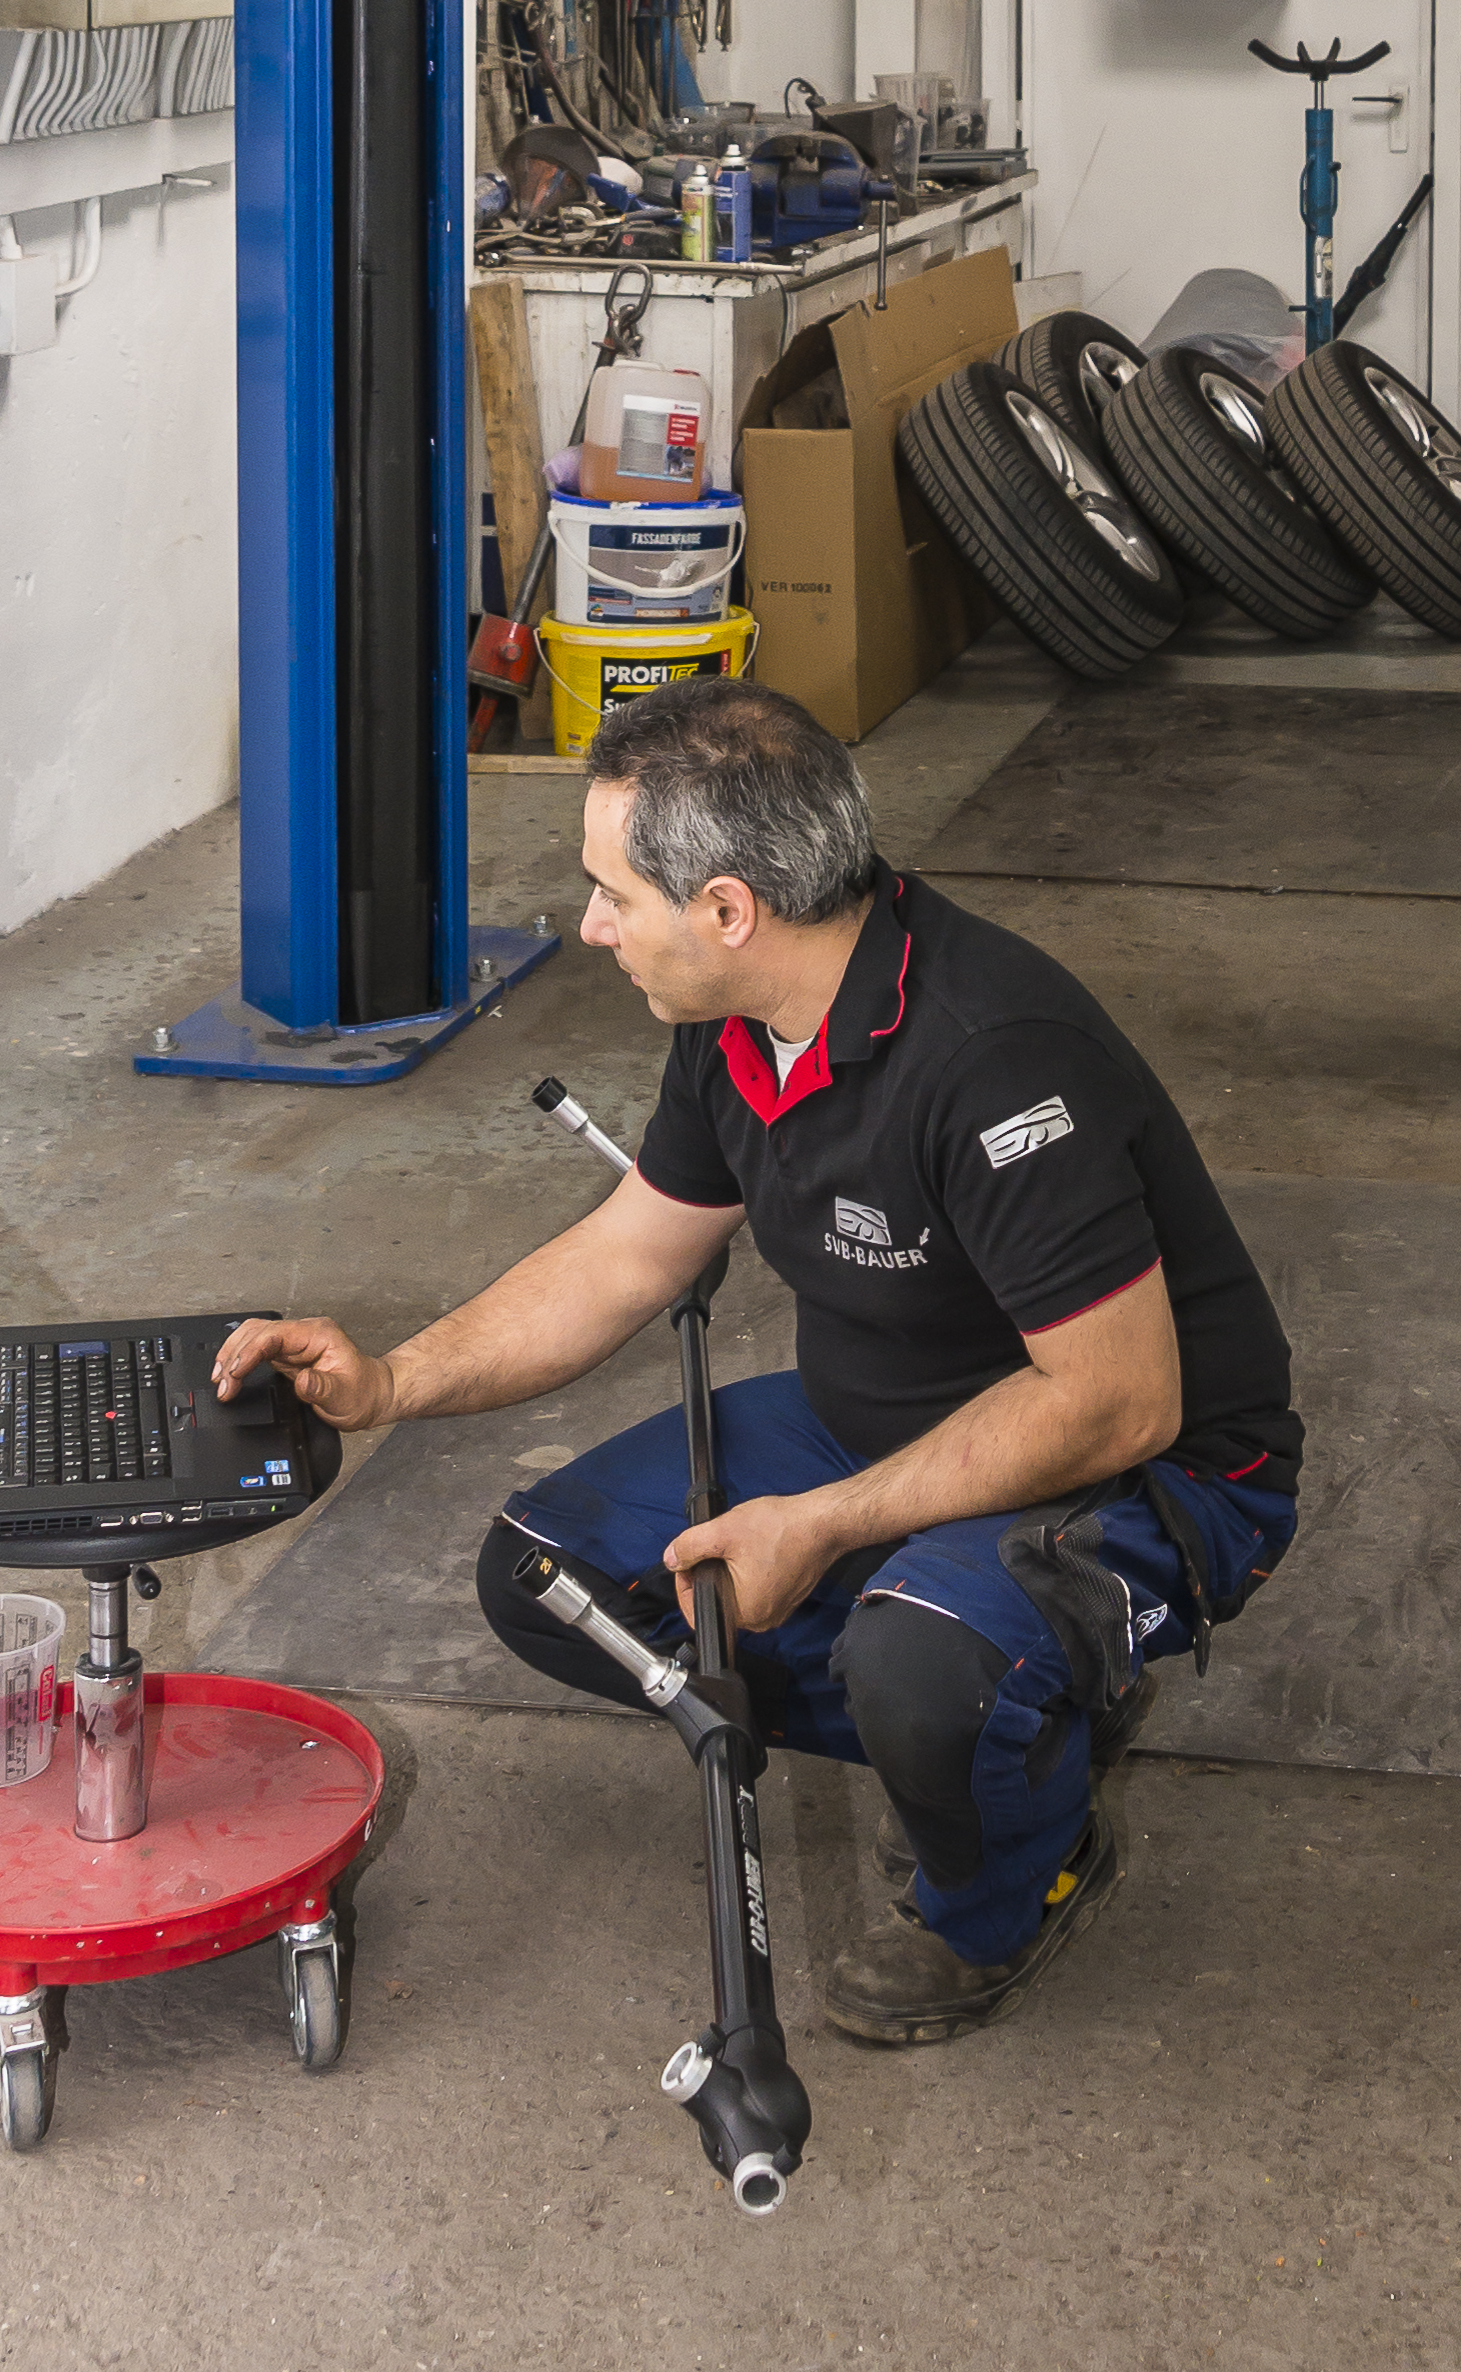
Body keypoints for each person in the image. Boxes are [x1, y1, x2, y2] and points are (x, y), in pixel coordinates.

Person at [212, 678, 1301, 2044]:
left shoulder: (992, 1059)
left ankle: (1014, 1867)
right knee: (549, 1581)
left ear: (727, 908)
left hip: (1158, 1467)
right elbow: (628, 1254)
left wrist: (828, 1522)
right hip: (881, 1417)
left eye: (613, 892)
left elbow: (1117, 1396)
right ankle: (1021, 1718)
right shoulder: (732, 1024)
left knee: (924, 1665)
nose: (590, 923)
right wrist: (389, 1381)